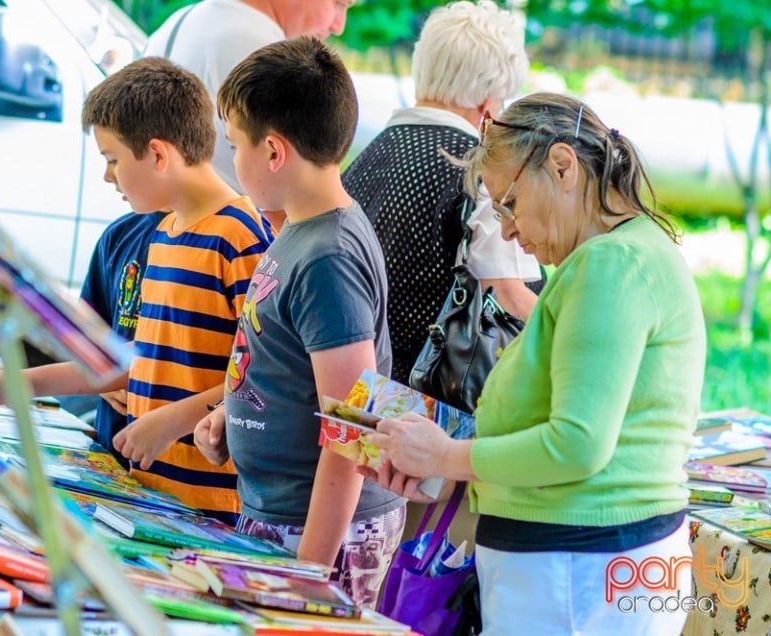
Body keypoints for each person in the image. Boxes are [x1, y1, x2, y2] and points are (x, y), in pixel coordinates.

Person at [362, 93, 706, 634]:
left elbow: (577, 444)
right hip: (578, 571)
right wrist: (440, 466)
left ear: (563, 167)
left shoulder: (609, 265)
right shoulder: (609, 259)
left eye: (509, 204)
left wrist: (449, 457)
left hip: (580, 574)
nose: (507, 231)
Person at [0, 57, 273, 524]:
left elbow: (264, 380)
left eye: (112, 160)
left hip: (209, 509)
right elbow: (136, 364)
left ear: (158, 155)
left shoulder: (242, 238)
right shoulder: (165, 234)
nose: (108, 177)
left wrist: (172, 421)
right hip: (148, 489)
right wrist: (25, 383)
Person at [193, 38, 405, 608]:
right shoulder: (299, 226)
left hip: (319, 533)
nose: (230, 160)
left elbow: (353, 427)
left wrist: (309, 572)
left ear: (274, 152)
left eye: (234, 145)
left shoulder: (328, 255)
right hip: (279, 511)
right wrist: (229, 416)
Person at [343, 0, 540, 387]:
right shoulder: (477, 173)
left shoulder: (363, 161)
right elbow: (509, 298)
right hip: (436, 407)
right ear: (487, 100)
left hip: (363, 394)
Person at [144, 0, 353, 202]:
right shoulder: (268, 55)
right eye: (338, 3)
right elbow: (301, 189)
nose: (339, 26)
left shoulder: (179, 22)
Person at [79, 210, 167, 464]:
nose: (108, 177)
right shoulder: (121, 232)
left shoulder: (222, 236)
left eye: (114, 166)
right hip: (112, 442)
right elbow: (84, 332)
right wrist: (102, 377)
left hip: (174, 454)